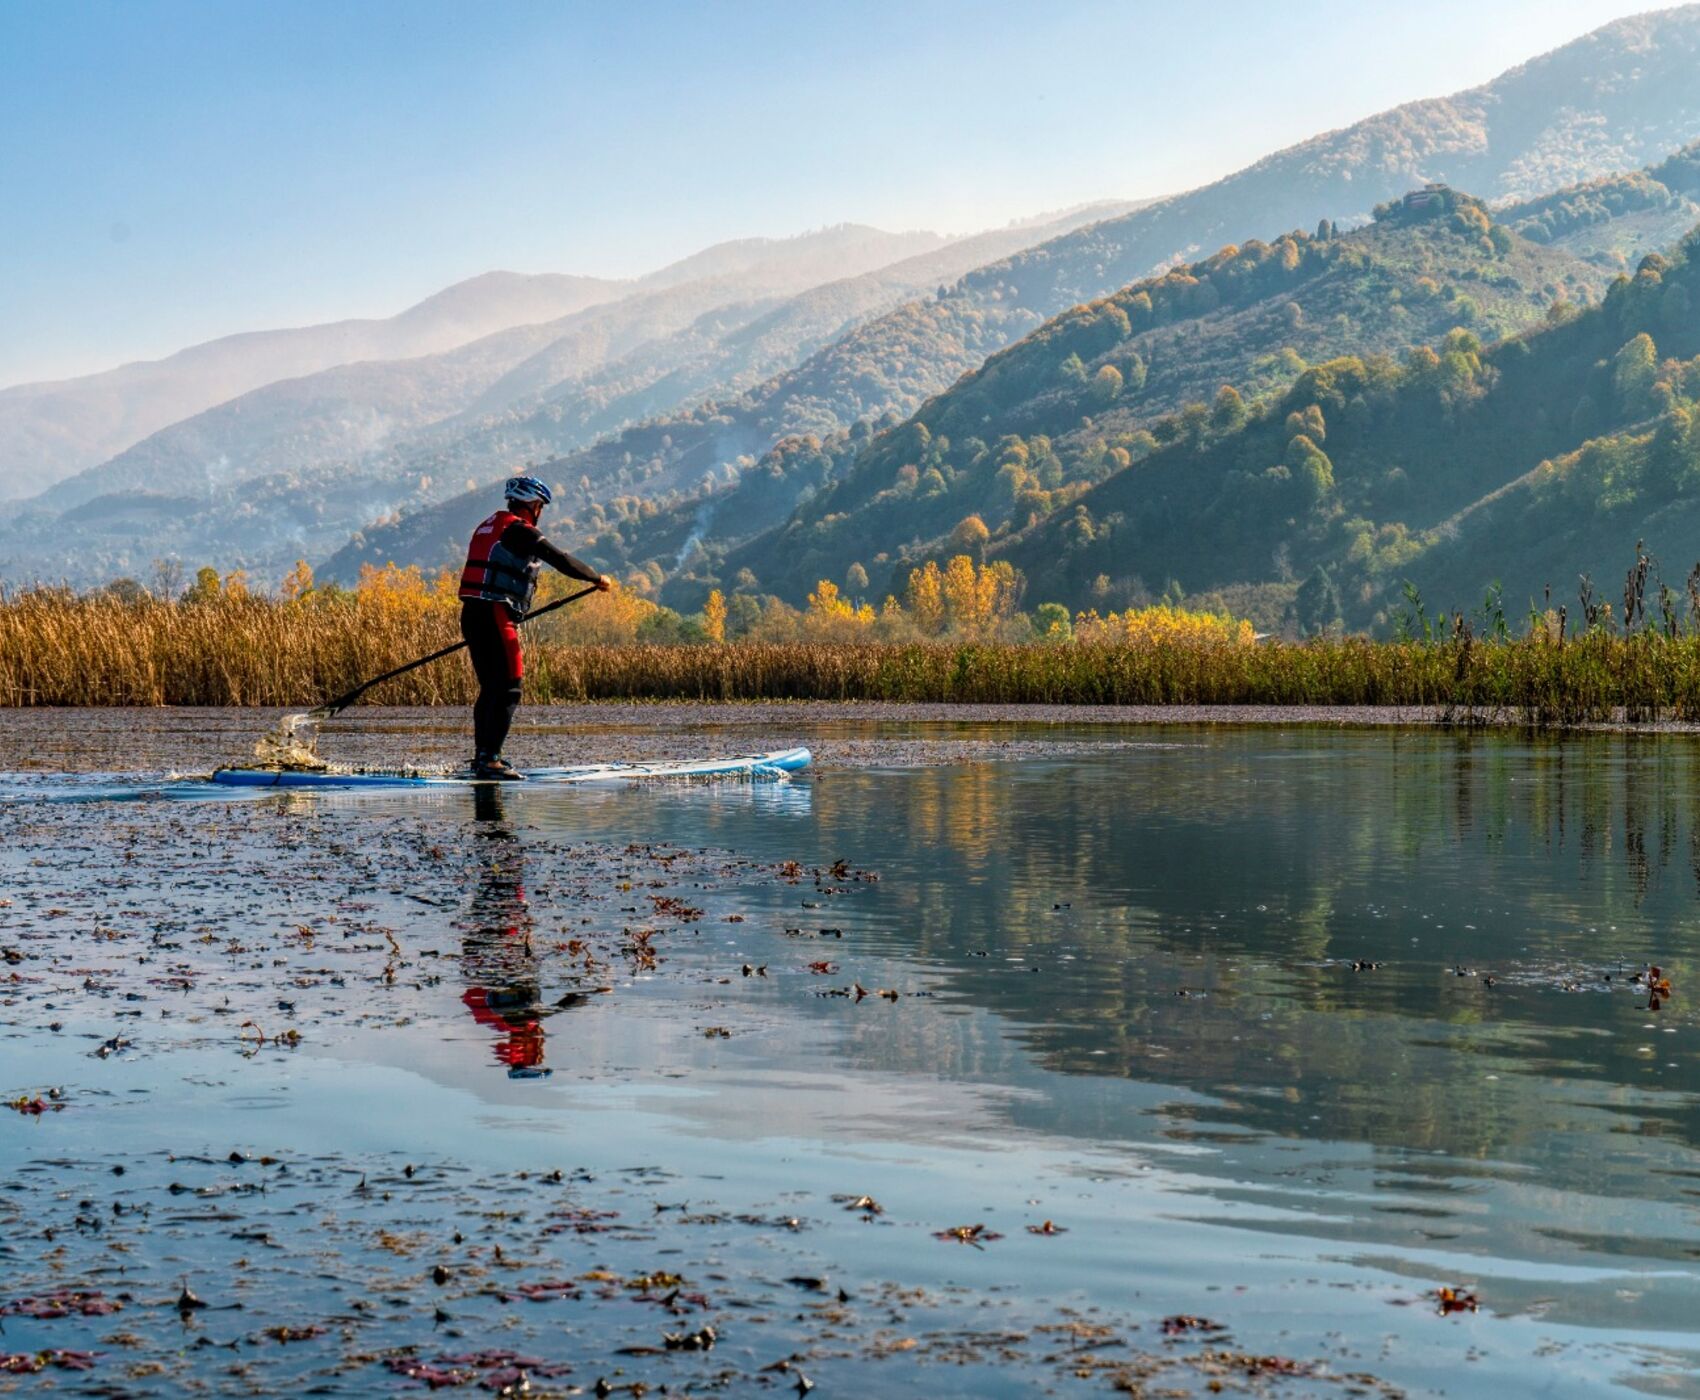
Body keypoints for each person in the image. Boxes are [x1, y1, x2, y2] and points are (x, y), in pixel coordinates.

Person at [459, 475, 609, 779]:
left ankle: (483, 758)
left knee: (491, 689)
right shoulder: (518, 530)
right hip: (495, 614)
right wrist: (596, 578)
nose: (540, 511)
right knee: (510, 687)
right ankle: (490, 761)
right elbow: (560, 558)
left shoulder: (490, 524)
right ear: (532, 505)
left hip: (473, 614)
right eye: (540, 505)